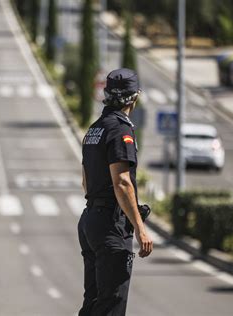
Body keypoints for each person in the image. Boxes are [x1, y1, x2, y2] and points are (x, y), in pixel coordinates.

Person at [78, 68, 153, 316]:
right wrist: (140, 227)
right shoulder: (121, 130)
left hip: (90, 220)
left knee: (94, 302)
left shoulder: (94, 130)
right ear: (134, 97)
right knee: (111, 305)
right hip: (111, 226)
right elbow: (122, 182)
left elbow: (86, 184)